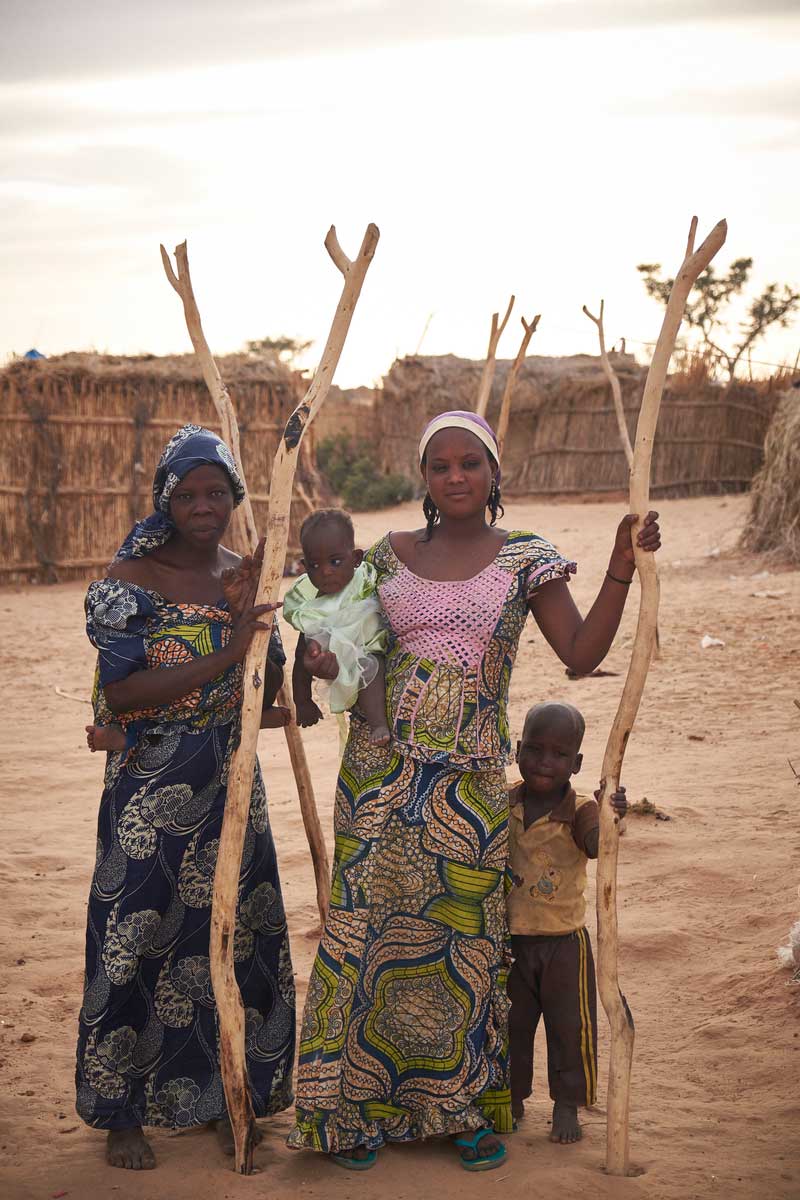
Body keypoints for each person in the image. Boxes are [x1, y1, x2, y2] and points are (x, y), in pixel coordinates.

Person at [287, 409, 660, 1172]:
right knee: (363, 933)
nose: (455, 477)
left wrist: (621, 564)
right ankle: (350, 1113)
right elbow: (335, 634)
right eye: (440, 466)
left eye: (470, 464)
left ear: (494, 473)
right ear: (423, 478)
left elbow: (582, 654)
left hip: (471, 781)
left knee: (463, 942)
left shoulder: (527, 558)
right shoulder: (382, 559)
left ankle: (460, 1109)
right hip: (378, 773)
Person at [75, 424, 296, 1171]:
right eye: (187, 493)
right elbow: (123, 688)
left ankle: (224, 1093)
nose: (203, 505)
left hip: (234, 790)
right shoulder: (130, 577)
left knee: (232, 941)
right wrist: (227, 649)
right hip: (149, 793)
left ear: (235, 497)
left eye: (216, 492)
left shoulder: (248, 574)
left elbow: (266, 696)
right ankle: (123, 1113)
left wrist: (274, 663)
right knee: (133, 941)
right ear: (165, 501)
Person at [507, 701, 627, 1144]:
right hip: (513, 940)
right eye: (535, 749)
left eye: (559, 754)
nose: (544, 762)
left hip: (563, 944)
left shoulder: (580, 811)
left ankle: (565, 1106)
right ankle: (512, 1099)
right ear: (518, 749)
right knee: (511, 1026)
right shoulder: (506, 804)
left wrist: (611, 815)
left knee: (569, 1028)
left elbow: (597, 846)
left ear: (575, 763)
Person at [283, 508, 390, 746]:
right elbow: (301, 657)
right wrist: (303, 701)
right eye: (314, 565)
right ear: (303, 566)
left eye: (335, 561)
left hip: (369, 650)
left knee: (372, 667)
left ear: (356, 558)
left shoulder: (365, 581)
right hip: (336, 663)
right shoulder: (313, 609)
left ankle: (378, 722)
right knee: (310, 650)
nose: (326, 572)